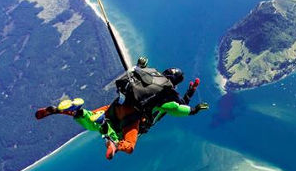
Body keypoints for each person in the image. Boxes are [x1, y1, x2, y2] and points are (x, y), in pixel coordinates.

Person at [35, 59, 208, 160]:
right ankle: (116, 144)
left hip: (117, 105)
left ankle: (75, 111)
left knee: (91, 120)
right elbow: (176, 109)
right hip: (132, 117)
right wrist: (193, 110)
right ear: (176, 82)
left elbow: (135, 72)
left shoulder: (150, 75)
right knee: (129, 145)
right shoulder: (166, 94)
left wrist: (191, 91)